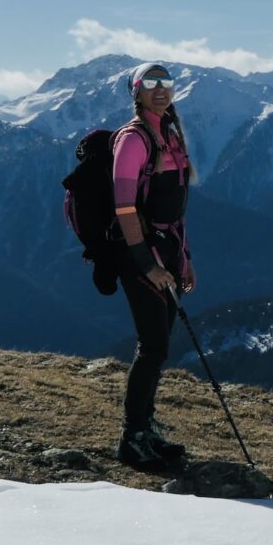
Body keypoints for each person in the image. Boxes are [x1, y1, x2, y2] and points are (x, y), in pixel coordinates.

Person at [111, 63, 197, 469]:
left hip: (168, 252)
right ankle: (132, 438)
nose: (161, 90)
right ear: (136, 91)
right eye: (151, 83)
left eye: (166, 83)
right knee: (153, 345)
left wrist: (185, 260)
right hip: (140, 255)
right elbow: (124, 207)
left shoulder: (169, 134)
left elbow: (176, 210)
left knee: (159, 345)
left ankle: (146, 428)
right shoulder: (133, 140)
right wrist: (148, 264)